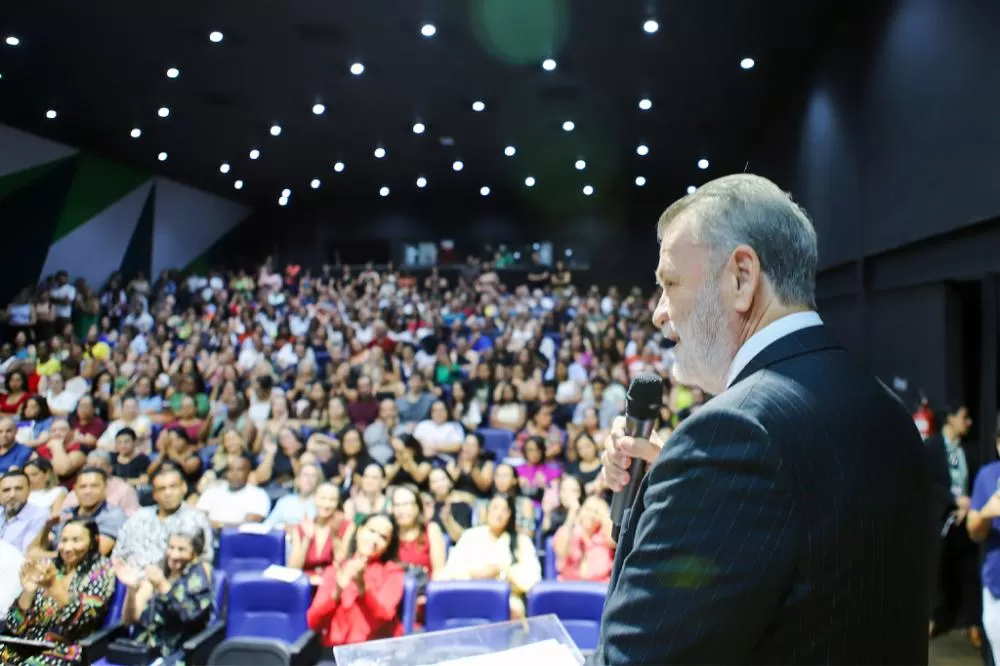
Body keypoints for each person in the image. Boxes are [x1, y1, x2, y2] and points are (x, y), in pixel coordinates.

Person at [594, 174, 928, 664]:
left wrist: (686, 481)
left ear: (741, 278)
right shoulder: (886, 410)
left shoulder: (732, 436)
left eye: (670, 283)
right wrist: (679, 485)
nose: (659, 314)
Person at [1, 518, 116, 665]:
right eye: (64, 540)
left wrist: (53, 586)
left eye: (76, 540)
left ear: (93, 541)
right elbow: (14, 626)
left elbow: (84, 618)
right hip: (30, 643)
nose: (67, 548)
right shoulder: (51, 566)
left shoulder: (101, 570)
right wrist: (28, 592)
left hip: (68, 648)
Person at [306, 513, 405, 654]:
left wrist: (362, 589)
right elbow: (314, 622)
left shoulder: (392, 572)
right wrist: (336, 593)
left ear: (388, 546)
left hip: (376, 652)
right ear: (359, 531)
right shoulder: (335, 570)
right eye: (371, 531)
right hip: (336, 652)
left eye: (383, 537)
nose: (375, 539)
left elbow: (384, 616)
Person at [112, 529, 214, 659]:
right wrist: (131, 589)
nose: (174, 554)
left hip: (176, 653)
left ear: (193, 554)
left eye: (181, 549)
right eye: (171, 547)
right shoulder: (159, 571)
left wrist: (162, 586)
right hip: (141, 650)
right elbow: (129, 619)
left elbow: (189, 615)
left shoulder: (198, 577)